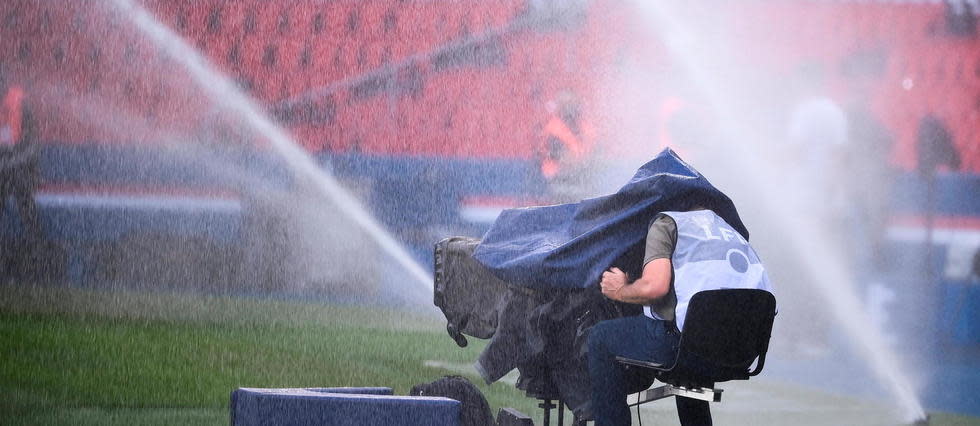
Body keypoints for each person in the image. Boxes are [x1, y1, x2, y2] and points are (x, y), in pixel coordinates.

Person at [588, 208, 773, 426]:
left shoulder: (666, 222)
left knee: (600, 337)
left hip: (685, 349)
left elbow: (654, 288)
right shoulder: (728, 230)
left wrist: (620, 289)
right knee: (691, 358)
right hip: (737, 354)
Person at [0, 67, 42, 247]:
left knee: (20, 185)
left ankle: (37, 243)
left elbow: (34, 144)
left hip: (20, 167)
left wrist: (12, 162)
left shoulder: (20, 102)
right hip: (3, 169)